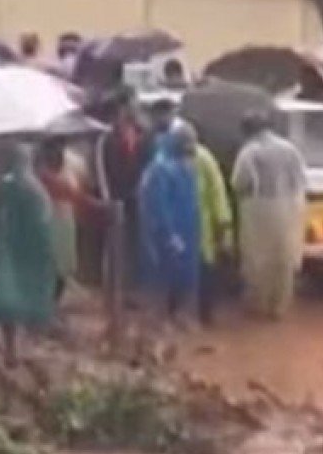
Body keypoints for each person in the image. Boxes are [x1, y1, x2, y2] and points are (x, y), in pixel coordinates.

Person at [0, 141, 58, 357]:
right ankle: (12, 347)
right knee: (17, 300)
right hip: (23, 258)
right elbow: (46, 223)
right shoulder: (35, 189)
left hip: (0, 254)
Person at [232, 112, 309, 319]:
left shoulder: (250, 151)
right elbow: (302, 179)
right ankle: (280, 306)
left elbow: (240, 181)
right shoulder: (289, 149)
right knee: (285, 256)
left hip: (259, 209)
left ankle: (260, 304)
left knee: (258, 258)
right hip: (290, 206)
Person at [139, 124, 202, 324]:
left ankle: (178, 316)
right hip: (167, 232)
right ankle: (159, 318)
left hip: (187, 228)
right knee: (162, 274)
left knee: (185, 274)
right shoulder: (160, 168)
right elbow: (159, 205)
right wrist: (169, 233)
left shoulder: (186, 165)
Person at [176, 119, 234, 326]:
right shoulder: (171, 159)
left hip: (203, 224)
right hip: (182, 224)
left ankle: (204, 315)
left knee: (205, 271)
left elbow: (217, 193)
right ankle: (183, 314)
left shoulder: (204, 159)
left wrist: (222, 223)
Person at [98, 97, 147, 294]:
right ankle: (113, 291)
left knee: (133, 246)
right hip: (116, 199)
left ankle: (129, 289)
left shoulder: (139, 136)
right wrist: (108, 197)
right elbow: (104, 171)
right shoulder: (107, 139)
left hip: (135, 200)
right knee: (114, 247)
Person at [34, 139, 87, 304]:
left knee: (61, 269)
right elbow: (77, 191)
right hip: (51, 221)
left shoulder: (72, 164)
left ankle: (51, 306)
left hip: (62, 220)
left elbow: (78, 190)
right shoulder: (41, 170)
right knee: (52, 269)